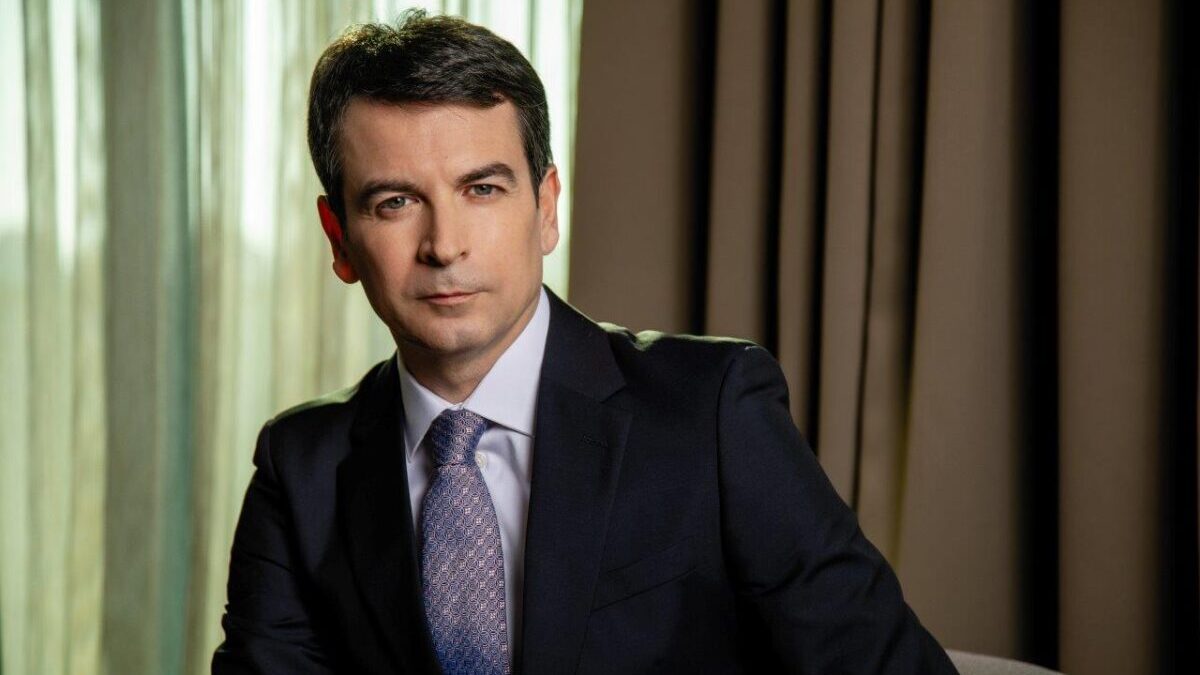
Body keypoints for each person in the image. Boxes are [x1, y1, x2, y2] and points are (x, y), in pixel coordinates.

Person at [212, 10, 957, 675]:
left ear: (546, 208)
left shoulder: (713, 411)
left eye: (482, 189)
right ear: (339, 239)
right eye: (396, 202)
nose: (444, 245)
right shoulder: (300, 466)